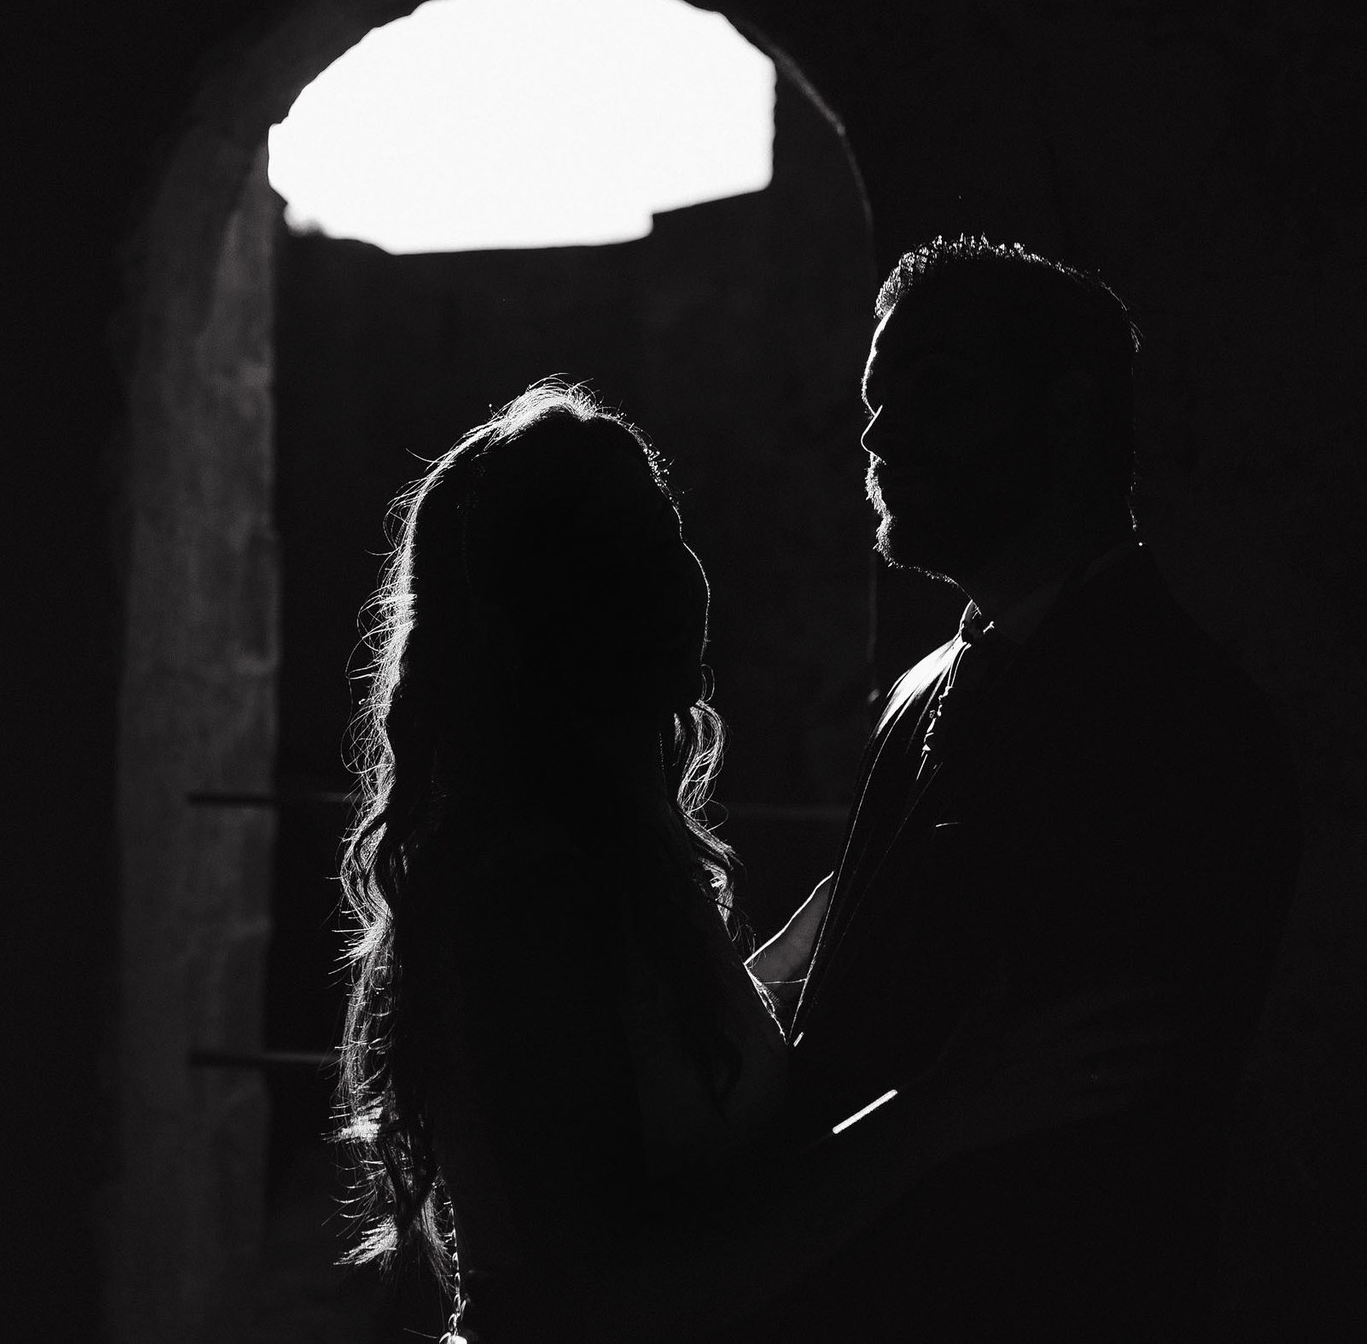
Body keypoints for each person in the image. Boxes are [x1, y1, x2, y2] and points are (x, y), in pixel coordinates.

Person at [334, 378, 1177, 1344]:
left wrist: (765, 971)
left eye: (673, 533)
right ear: (547, 614)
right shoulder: (526, 888)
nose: (687, 576)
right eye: (635, 553)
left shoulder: (603, 847)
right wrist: (937, 1117)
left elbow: (640, 1087)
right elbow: (625, 1288)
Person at [753, 236, 1303, 1340]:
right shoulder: (920, 690)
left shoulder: (1185, 724)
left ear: (1066, 413)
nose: (878, 432)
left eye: (937, 392)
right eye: (875, 396)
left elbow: (1100, 1138)